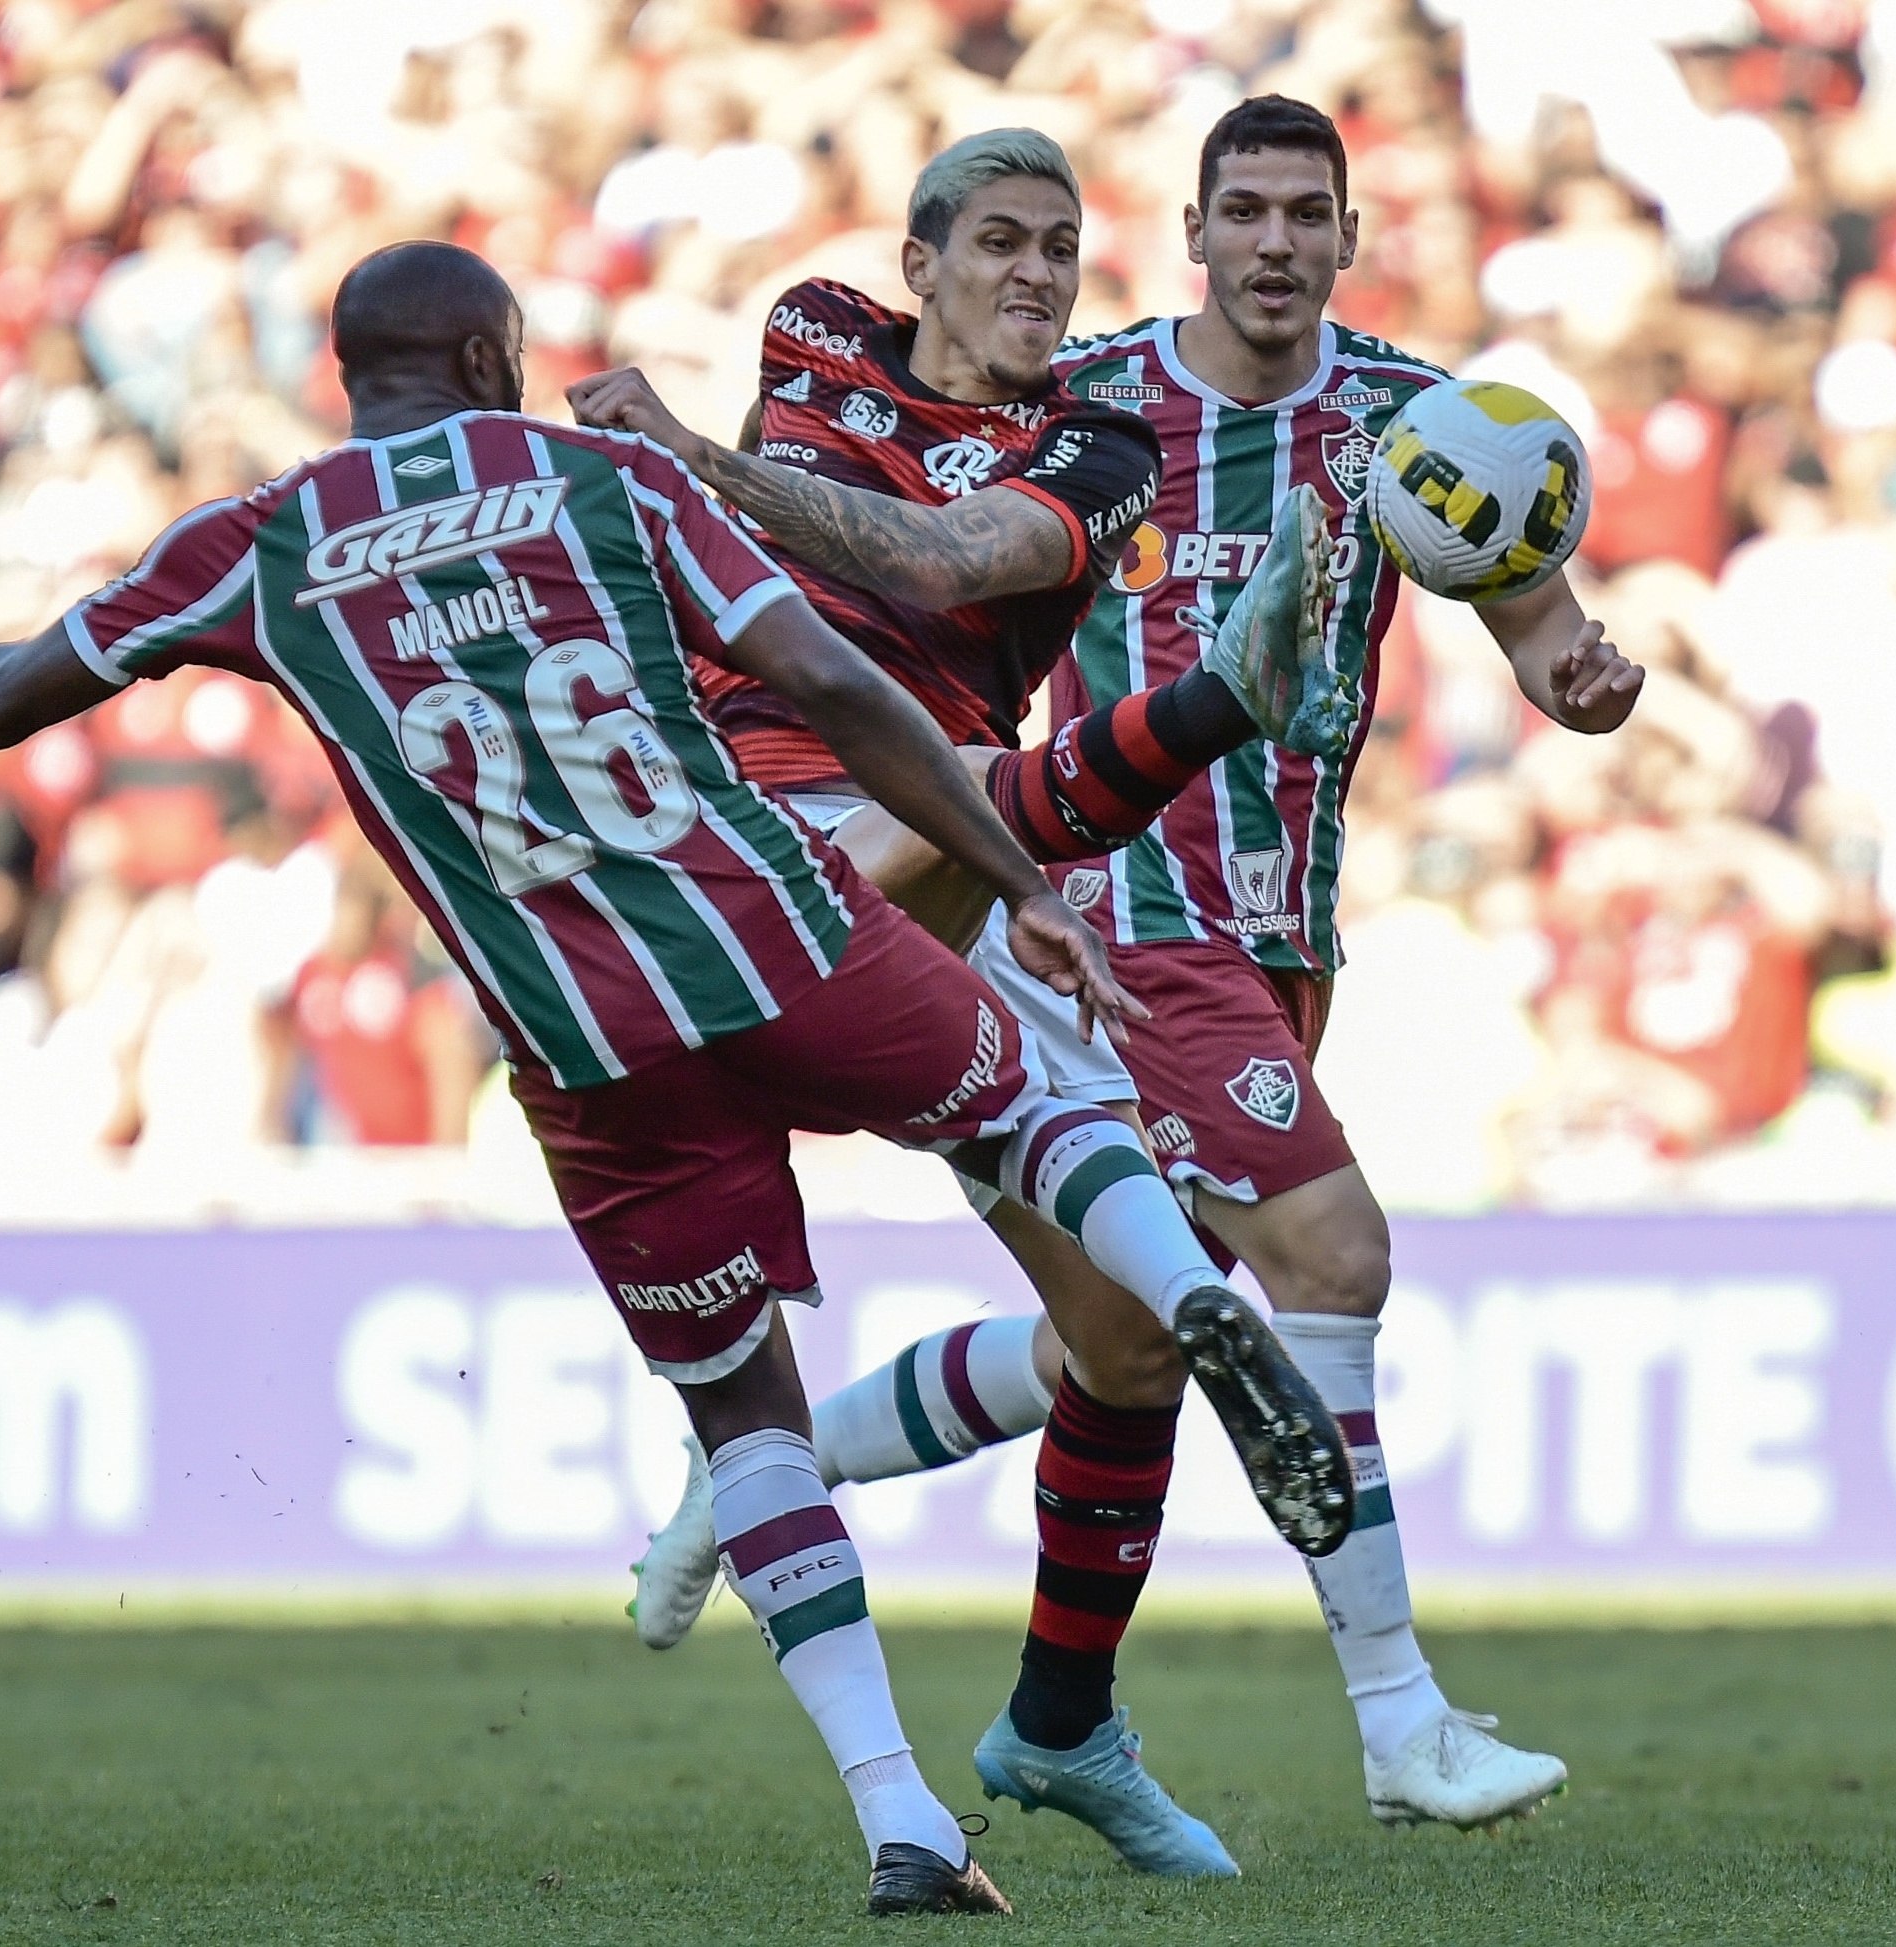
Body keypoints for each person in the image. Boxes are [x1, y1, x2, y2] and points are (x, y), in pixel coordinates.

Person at [0, 237, 1352, 1920]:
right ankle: (1180, 1294)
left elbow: (8, 695)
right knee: (1038, 1113)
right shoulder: (604, 472)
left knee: (740, 1418)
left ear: (353, 375)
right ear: (494, 360)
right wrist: (1017, 878)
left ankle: (901, 1820)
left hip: (584, 1050)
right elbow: (837, 683)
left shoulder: (252, 544)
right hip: (778, 941)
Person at [606, 100, 1645, 1841]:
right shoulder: (1090, 407)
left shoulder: (1414, 419)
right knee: (1332, 1254)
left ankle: (859, 1552)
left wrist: (1581, 677)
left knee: (1113, 1340)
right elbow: (929, 545)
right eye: (1243, 212)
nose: (1275, 244)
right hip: (1117, 901)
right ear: (1192, 230)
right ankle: (1402, 1720)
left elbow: (1534, 622)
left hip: (1285, 923)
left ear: (1348, 235)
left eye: (1307, 214)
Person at [571, 127, 1356, 1879]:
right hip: (751, 830)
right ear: (918, 263)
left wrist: (697, 462)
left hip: (947, 845)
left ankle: (1056, 1723)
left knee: (1130, 1350)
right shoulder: (814, 329)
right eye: (1000, 243)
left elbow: (939, 566)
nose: (1036, 277)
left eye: (1063, 252)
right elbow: (822, 578)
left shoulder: (1101, 444)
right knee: (961, 813)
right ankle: (1220, 707)